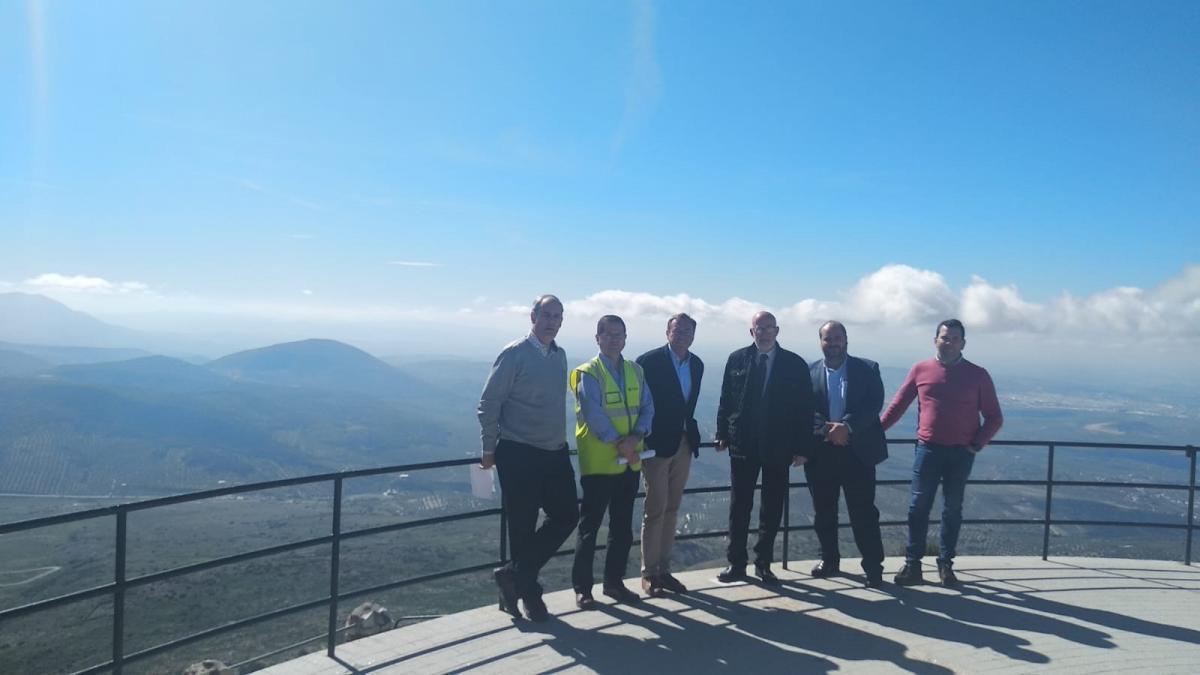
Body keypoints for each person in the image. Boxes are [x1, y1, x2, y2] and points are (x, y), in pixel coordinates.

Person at [478, 294, 579, 621]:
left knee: (566, 515)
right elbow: (489, 402)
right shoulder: (514, 354)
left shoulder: (559, 355)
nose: (553, 321)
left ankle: (513, 575)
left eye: (558, 316)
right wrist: (488, 448)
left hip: (555, 451)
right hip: (518, 451)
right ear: (533, 316)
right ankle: (530, 597)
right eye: (547, 314)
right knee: (521, 527)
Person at [881, 318, 1003, 587]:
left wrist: (977, 443)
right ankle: (913, 564)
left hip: (961, 453)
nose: (949, 343)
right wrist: (875, 431)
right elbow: (898, 406)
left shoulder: (978, 374)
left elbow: (994, 417)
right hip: (928, 450)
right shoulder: (920, 369)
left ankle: (945, 563)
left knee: (952, 510)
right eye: (944, 337)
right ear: (935, 339)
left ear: (963, 343)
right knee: (917, 508)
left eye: (954, 338)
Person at [715, 311, 816, 584]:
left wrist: (803, 447)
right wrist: (722, 433)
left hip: (779, 446)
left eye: (769, 328)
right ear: (752, 332)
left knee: (771, 507)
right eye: (759, 328)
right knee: (739, 506)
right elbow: (726, 399)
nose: (764, 332)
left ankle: (763, 563)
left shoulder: (794, 364)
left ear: (777, 330)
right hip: (743, 444)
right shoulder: (736, 359)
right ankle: (736, 563)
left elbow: (805, 409)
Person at [569, 315, 655, 609]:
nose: (615, 339)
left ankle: (614, 583)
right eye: (609, 335)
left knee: (621, 527)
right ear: (598, 338)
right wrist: (624, 442)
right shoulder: (588, 372)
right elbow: (593, 413)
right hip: (600, 463)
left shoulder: (636, 370)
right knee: (590, 527)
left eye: (620, 335)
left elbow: (647, 407)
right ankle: (583, 588)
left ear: (626, 338)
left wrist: (637, 436)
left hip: (629, 462)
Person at [805, 321, 888, 588]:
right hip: (822, 453)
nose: (833, 343)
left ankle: (873, 567)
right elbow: (804, 409)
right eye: (828, 339)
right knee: (824, 511)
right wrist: (829, 430)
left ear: (846, 340)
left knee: (863, 512)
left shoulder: (868, 368)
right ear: (820, 342)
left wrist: (847, 426)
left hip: (858, 453)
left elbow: (873, 404)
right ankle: (829, 559)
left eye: (838, 338)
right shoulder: (809, 372)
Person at [635, 313, 704, 596]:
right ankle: (649, 573)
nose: (683, 335)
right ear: (667, 332)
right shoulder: (648, 362)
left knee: (673, 508)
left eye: (688, 331)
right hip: (656, 444)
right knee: (655, 509)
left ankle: (664, 570)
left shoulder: (696, 364)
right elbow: (638, 401)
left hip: (684, 442)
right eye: (678, 330)